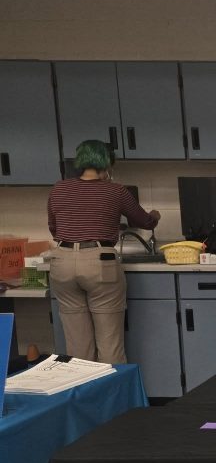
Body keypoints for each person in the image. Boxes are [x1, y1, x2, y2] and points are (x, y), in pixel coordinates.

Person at [47, 140, 161, 363]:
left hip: (62, 260)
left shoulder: (59, 188)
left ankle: (84, 396)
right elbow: (144, 221)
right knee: (109, 342)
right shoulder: (116, 191)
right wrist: (155, 216)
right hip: (99, 262)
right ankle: (114, 397)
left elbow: (54, 228)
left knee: (77, 344)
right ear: (108, 163)